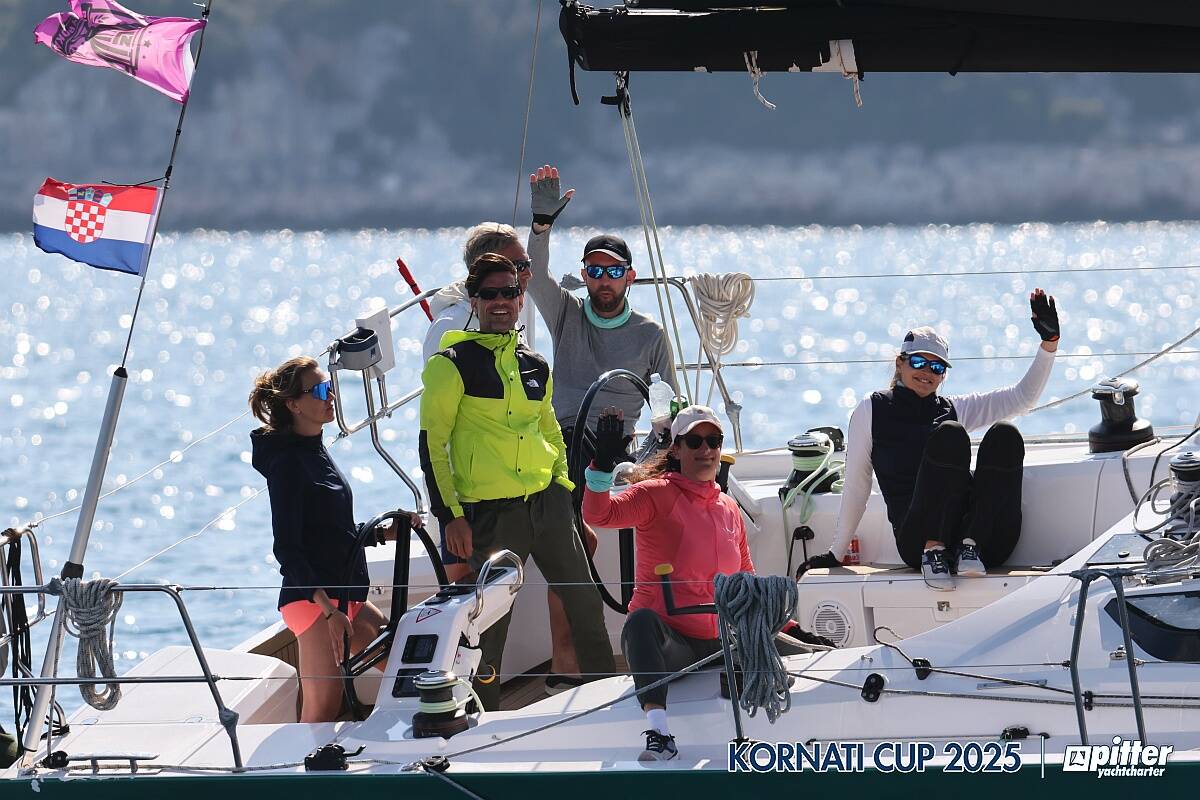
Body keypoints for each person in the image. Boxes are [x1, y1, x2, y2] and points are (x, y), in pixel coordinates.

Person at [418, 253, 616, 710]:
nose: (502, 301)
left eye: (511, 292)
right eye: (491, 294)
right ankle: (479, 714)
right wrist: (450, 516)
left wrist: (566, 496)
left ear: (520, 296)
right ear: (475, 300)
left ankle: (613, 705)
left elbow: (549, 432)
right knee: (490, 623)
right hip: (492, 513)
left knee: (585, 604)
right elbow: (433, 446)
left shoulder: (534, 363)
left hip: (548, 505)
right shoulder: (450, 364)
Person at [583, 405, 827, 762]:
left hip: (721, 641)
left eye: (713, 440)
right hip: (672, 646)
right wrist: (601, 467)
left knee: (816, 655)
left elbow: (746, 580)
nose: (706, 450)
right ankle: (659, 731)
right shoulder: (654, 494)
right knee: (639, 623)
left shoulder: (728, 507)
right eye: (695, 441)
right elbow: (599, 514)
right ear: (677, 449)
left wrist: (790, 627)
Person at [526, 164, 678, 692]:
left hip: (627, 448)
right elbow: (536, 276)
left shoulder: (649, 333)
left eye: (614, 272)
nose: (603, 280)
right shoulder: (566, 314)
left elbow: (670, 402)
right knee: (576, 546)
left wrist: (650, 457)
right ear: (585, 276)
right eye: (594, 271)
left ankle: (675, 645)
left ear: (630, 277)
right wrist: (540, 225)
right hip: (567, 439)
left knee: (677, 516)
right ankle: (565, 664)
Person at [801, 289, 1061, 590]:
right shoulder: (871, 410)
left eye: (937, 367)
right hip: (918, 546)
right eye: (919, 363)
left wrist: (1048, 344)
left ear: (943, 376)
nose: (927, 372)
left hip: (985, 545)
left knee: (1005, 434)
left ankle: (970, 544)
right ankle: (935, 549)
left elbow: (1021, 399)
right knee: (950, 435)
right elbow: (857, 484)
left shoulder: (952, 408)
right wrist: (836, 551)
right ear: (900, 363)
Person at [249, 356, 424, 722]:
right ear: (293, 404)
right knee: (322, 710)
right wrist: (329, 611)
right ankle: (296, 778)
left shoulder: (315, 450)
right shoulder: (287, 466)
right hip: (314, 605)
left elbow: (330, 529)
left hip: (347, 597)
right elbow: (288, 550)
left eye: (330, 387)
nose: (331, 397)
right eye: (319, 390)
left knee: (408, 671)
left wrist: (384, 532)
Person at [419, 222, 533, 584]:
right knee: (464, 585)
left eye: (525, 264)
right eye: (519, 265)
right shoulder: (450, 326)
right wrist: (451, 510)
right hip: (462, 488)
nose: (526, 272)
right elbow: (439, 430)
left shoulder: (513, 313)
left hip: (502, 479)